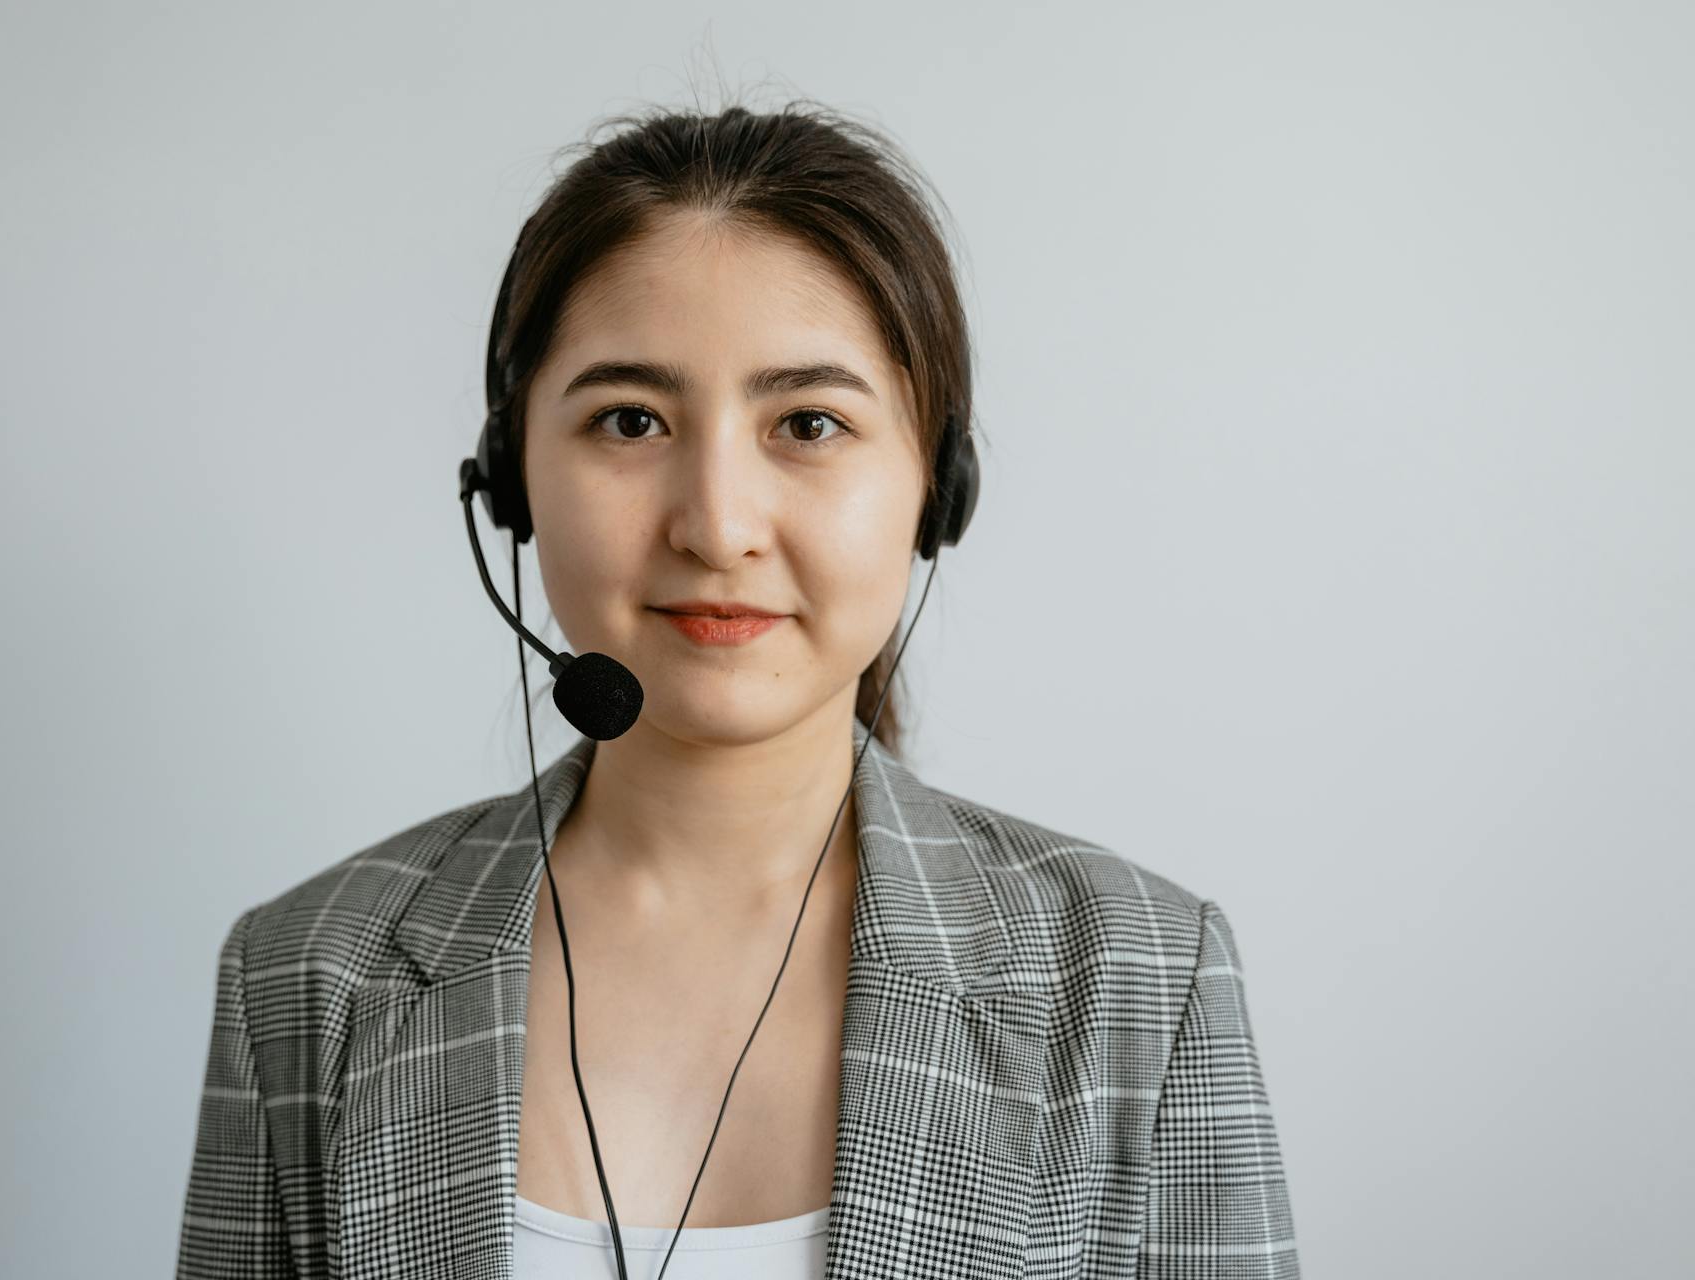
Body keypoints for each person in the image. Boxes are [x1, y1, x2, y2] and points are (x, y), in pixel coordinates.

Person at [175, 98, 1300, 1280]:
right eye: (631, 419)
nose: (717, 524)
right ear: (510, 481)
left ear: (938, 487)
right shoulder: (306, 975)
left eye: (808, 422)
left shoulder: (1139, 981)